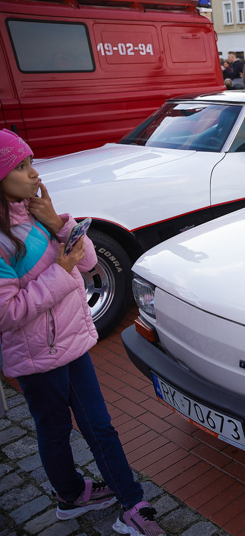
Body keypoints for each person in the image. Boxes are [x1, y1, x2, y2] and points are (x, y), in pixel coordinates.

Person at [0, 129, 165, 536]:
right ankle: (71, 495)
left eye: (32, 162)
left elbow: (87, 259)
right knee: (53, 430)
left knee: (99, 425)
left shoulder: (36, 216)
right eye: (21, 167)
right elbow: (8, 312)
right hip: (37, 359)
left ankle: (132, 503)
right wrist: (60, 269)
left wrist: (56, 220)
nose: (33, 174)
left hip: (71, 344)